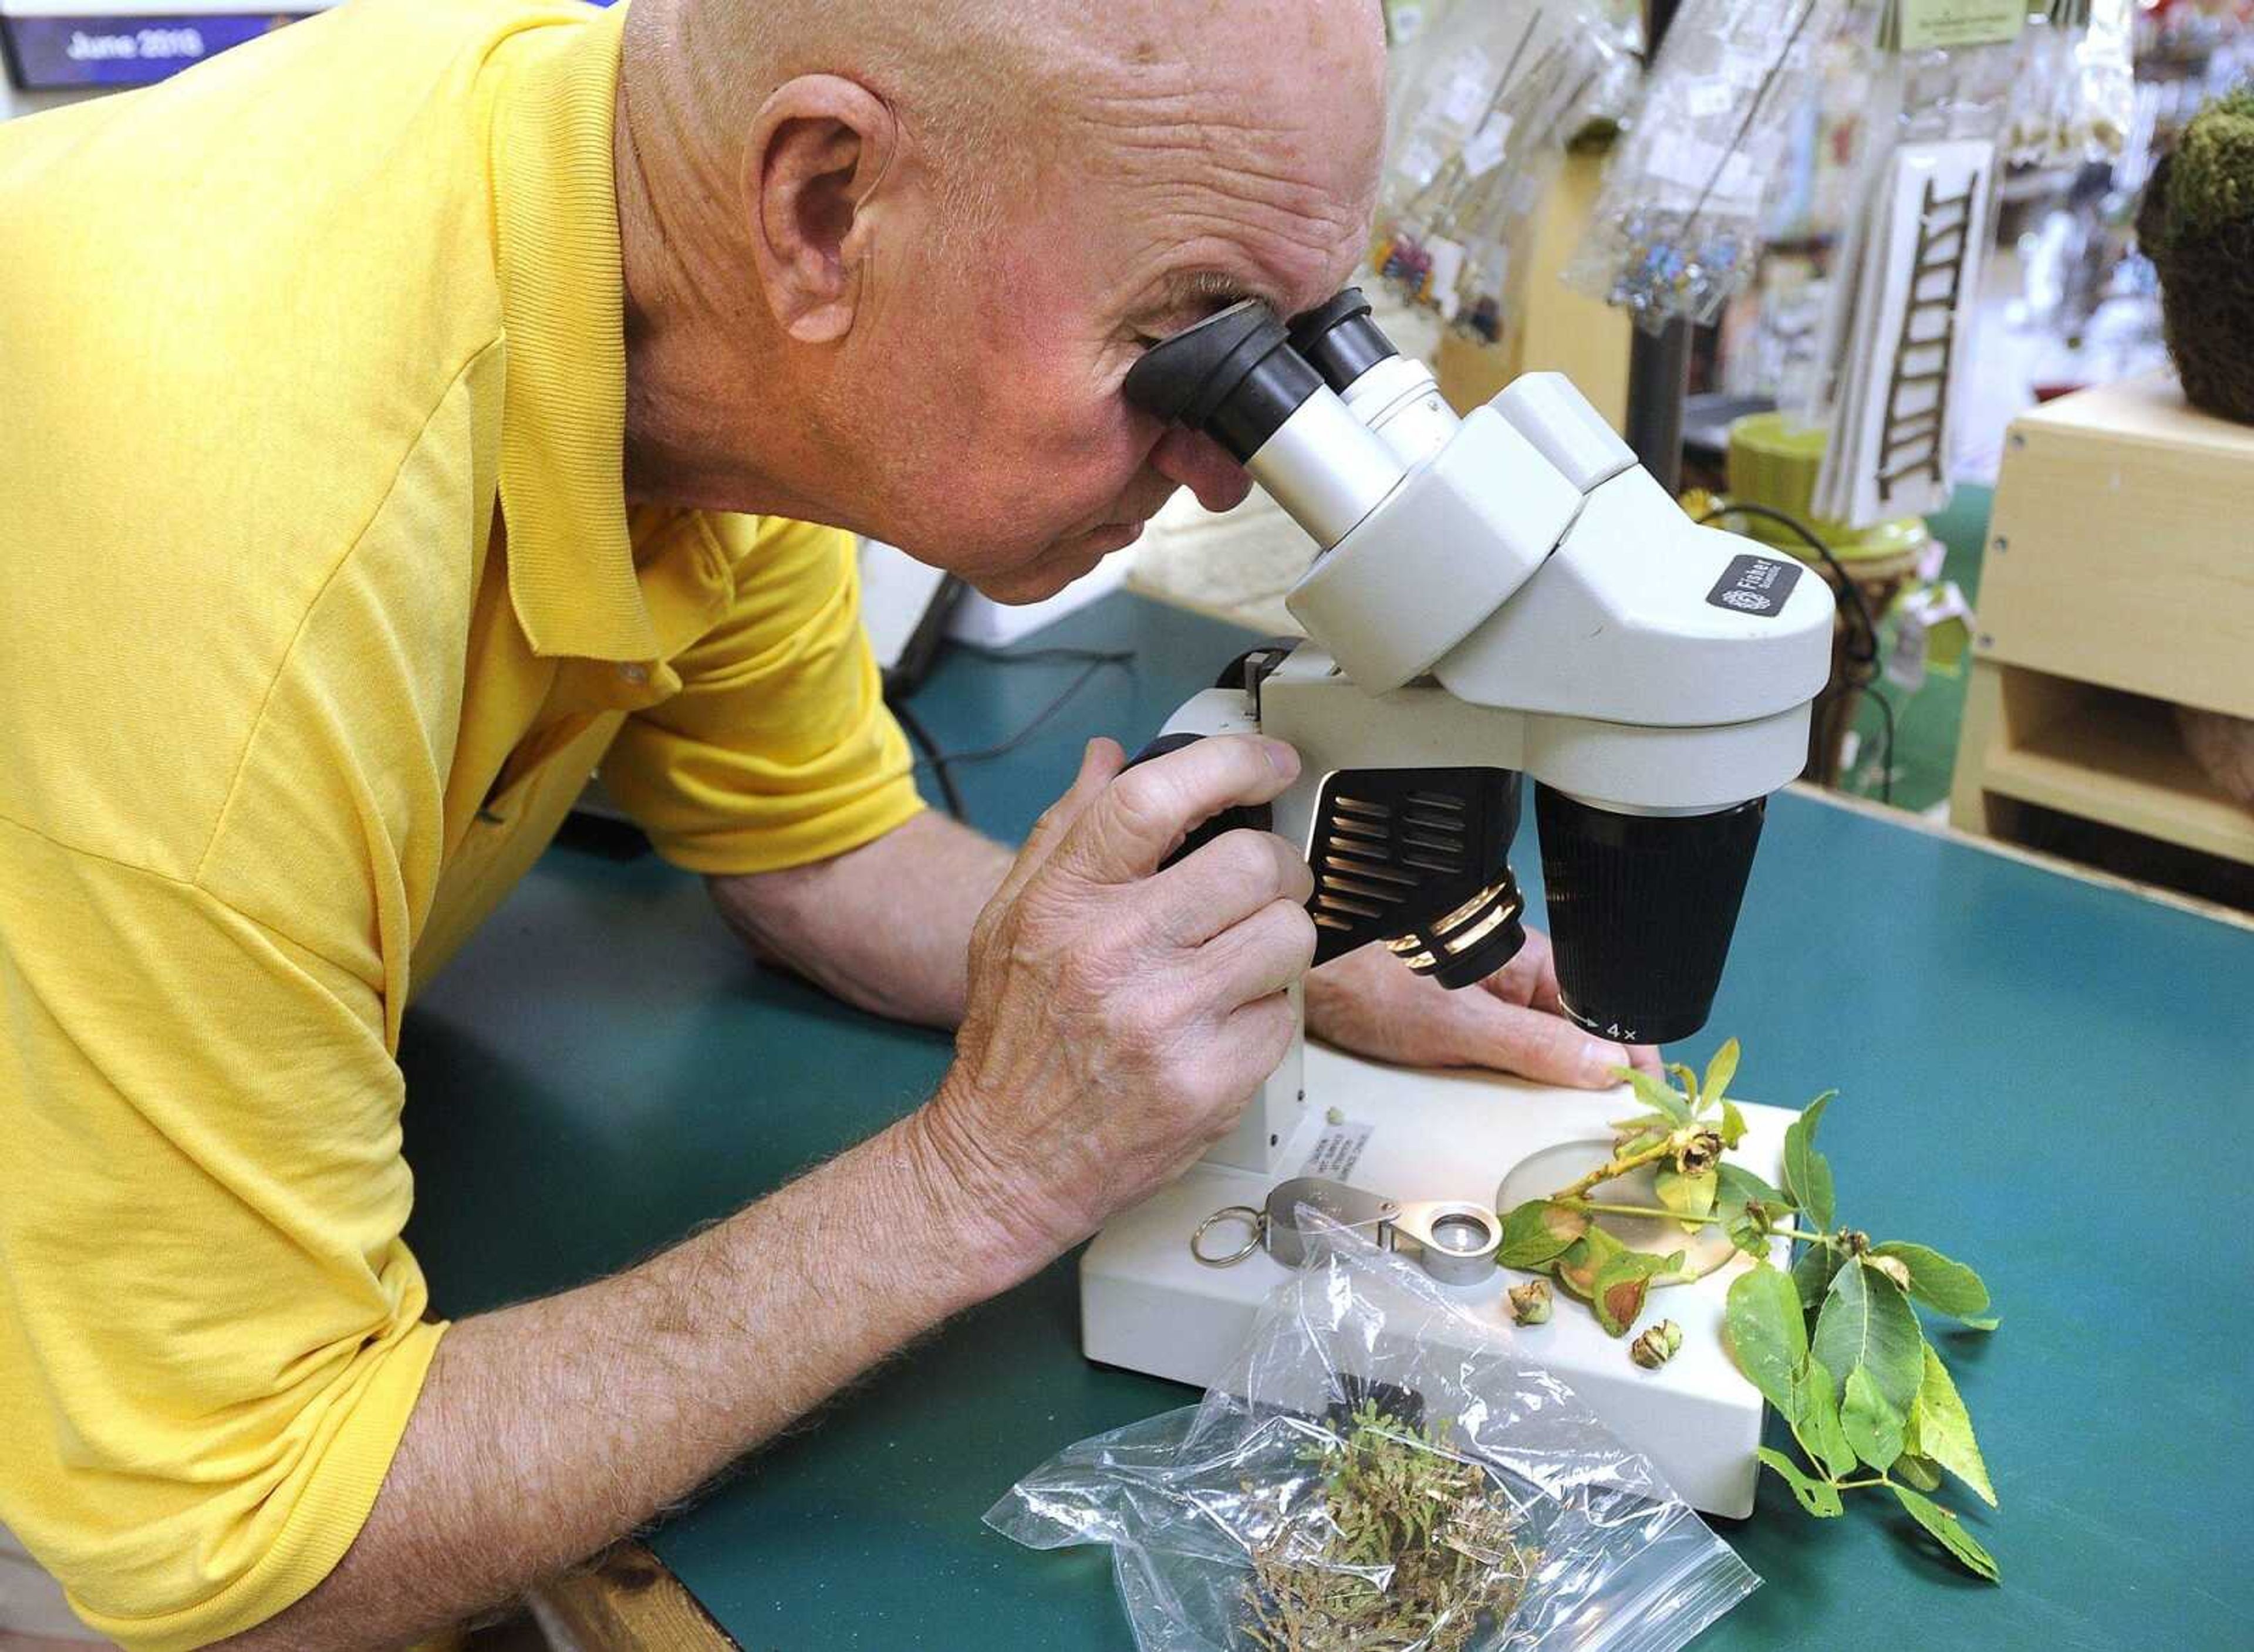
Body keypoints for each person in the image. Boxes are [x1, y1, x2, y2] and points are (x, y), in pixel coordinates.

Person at [0, 0, 1656, 1644]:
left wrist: (1263, 974)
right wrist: (984, 1172)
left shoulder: (660, 263)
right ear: (820, 208)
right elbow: (248, 1563)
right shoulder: (232, 564)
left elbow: (822, 852)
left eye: (1294, 345)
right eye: (1194, 340)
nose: (1232, 476)